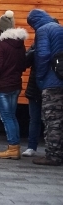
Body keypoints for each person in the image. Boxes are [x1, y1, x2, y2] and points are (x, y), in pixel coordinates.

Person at [0, 10, 27, 160]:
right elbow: (23, 65)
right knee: (12, 116)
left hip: (3, 86)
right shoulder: (20, 44)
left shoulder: (1, 45)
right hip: (15, 84)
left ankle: (12, 147)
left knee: (6, 117)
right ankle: (15, 146)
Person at [27, 9, 63, 166]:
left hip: (51, 82)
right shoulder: (59, 28)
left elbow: (42, 55)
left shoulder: (43, 30)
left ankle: (52, 155)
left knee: (52, 120)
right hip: (61, 79)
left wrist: (40, 79)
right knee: (60, 120)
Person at [22, 33, 43, 157]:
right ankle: (31, 146)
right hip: (35, 88)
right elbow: (25, 62)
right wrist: (33, 52)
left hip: (43, 87)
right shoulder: (36, 46)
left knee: (50, 120)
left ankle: (34, 147)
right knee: (34, 119)